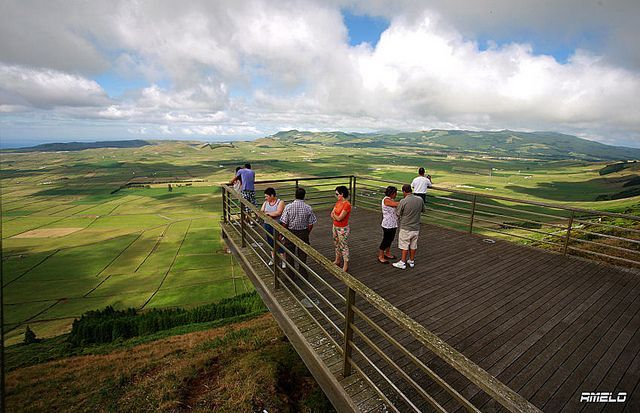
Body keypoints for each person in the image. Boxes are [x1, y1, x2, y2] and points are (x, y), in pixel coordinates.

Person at [280, 187, 317, 280]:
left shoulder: (288, 207)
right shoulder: (308, 208)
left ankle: (290, 275)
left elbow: (284, 222)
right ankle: (303, 275)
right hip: (303, 232)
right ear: (304, 196)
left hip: (290, 232)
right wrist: (306, 232)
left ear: (295, 195)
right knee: (302, 255)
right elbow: (311, 223)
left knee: (289, 254)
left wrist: (283, 233)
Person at [393, 184, 425, 270]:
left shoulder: (403, 201)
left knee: (404, 244)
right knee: (413, 245)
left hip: (405, 227)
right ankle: (411, 260)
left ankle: (402, 262)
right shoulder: (420, 199)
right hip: (416, 227)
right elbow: (423, 210)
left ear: (404, 191)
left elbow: (398, 213)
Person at [261, 187, 286, 269]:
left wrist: (267, 213)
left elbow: (278, 213)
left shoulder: (280, 202)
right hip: (267, 224)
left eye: (267, 196)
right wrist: (271, 213)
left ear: (272, 195)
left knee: (279, 242)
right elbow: (261, 212)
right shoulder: (265, 203)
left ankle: (283, 261)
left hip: (277, 225)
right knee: (270, 241)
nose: (266, 198)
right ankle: (273, 259)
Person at [331, 185, 352, 272]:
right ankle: (338, 260)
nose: (336, 196)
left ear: (342, 194)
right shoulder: (338, 203)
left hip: (342, 229)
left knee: (343, 246)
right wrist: (335, 217)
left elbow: (340, 218)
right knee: (336, 244)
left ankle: (345, 265)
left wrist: (335, 216)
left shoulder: (347, 205)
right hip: (335, 226)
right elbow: (331, 214)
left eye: (337, 194)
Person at [378, 186, 399, 264]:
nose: (396, 194)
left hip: (393, 223)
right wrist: (407, 201)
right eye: (395, 193)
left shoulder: (390, 199)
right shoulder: (386, 200)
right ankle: (380, 256)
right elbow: (396, 204)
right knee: (386, 240)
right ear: (392, 193)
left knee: (391, 239)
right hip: (387, 224)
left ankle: (387, 253)